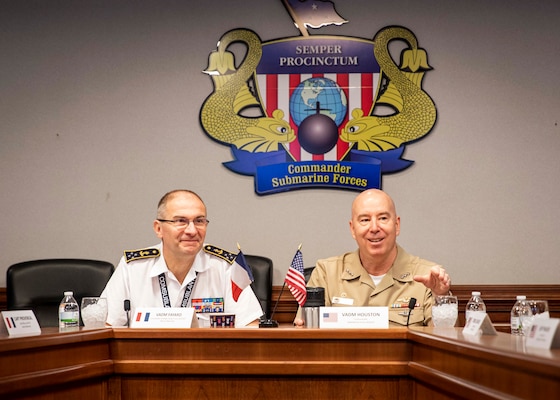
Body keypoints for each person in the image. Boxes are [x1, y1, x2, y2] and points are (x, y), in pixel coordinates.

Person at [101, 189, 263, 327]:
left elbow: (250, 326)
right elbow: (107, 325)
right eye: (181, 221)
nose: (192, 230)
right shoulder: (133, 267)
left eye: (199, 221)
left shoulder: (225, 267)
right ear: (158, 228)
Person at [294, 189, 451, 327]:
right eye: (365, 220)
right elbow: (306, 334)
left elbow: (443, 342)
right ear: (352, 229)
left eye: (383, 218)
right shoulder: (326, 273)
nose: (374, 228)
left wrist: (441, 297)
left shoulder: (427, 277)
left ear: (397, 225)